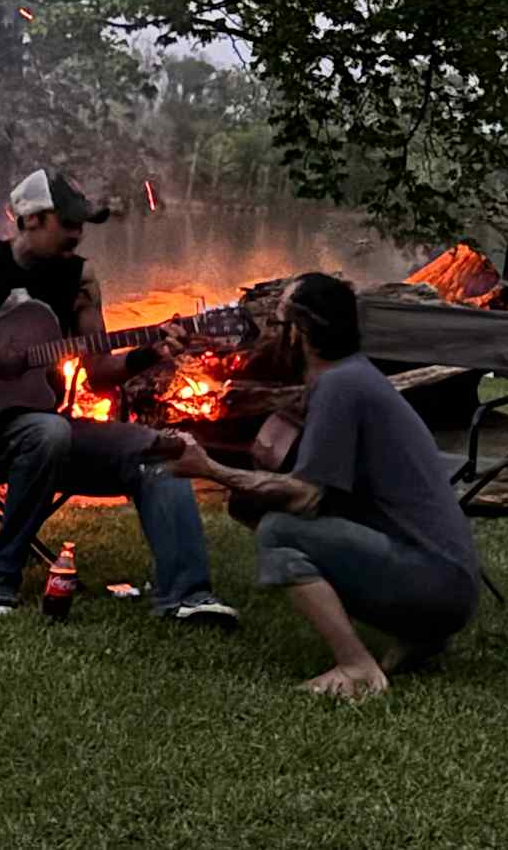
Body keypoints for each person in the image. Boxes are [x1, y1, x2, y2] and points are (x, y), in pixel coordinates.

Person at [0, 167, 238, 626]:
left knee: (161, 449)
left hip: (48, 434)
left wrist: (152, 353)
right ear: (31, 220)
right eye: (67, 223)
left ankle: (188, 595)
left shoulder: (81, 280)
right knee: (48, 431)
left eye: (82, 224)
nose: (78, 234)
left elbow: (101, 377)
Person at [167, 271, 480, 696]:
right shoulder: (350, 376)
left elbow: (306, 497)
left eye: (278, 324)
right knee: (259, 510)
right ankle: (418, 636)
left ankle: (357, 669)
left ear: (302, 334)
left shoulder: (341, 385)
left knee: (280, 531)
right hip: (449, 584)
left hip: (436, 585)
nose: (270, 335)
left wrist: (210, 470)